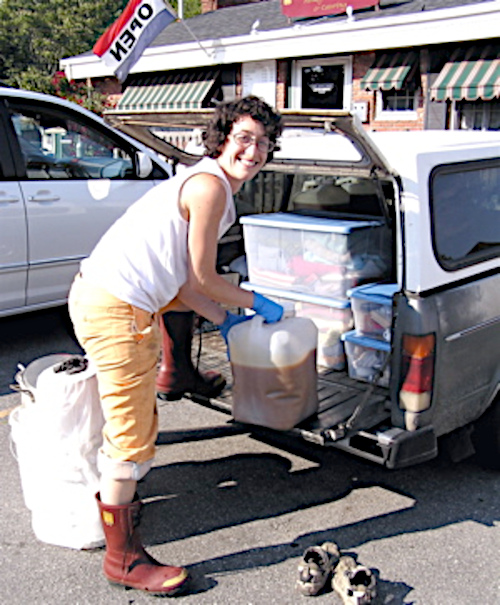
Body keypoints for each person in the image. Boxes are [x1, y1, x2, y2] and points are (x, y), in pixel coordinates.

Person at [68, 95, 284, 595]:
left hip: (107, 297)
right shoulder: (210, 188)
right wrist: (255, 299)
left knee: (134, 423)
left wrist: (227, 319)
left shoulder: (203, 180)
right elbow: (207, 277)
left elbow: (187, 284)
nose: (253, 152)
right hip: (117, 308)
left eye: (264, 143)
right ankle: (122, 560)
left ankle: (118, 512)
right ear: (223, 137)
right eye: (245, 138)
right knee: (130, 437)